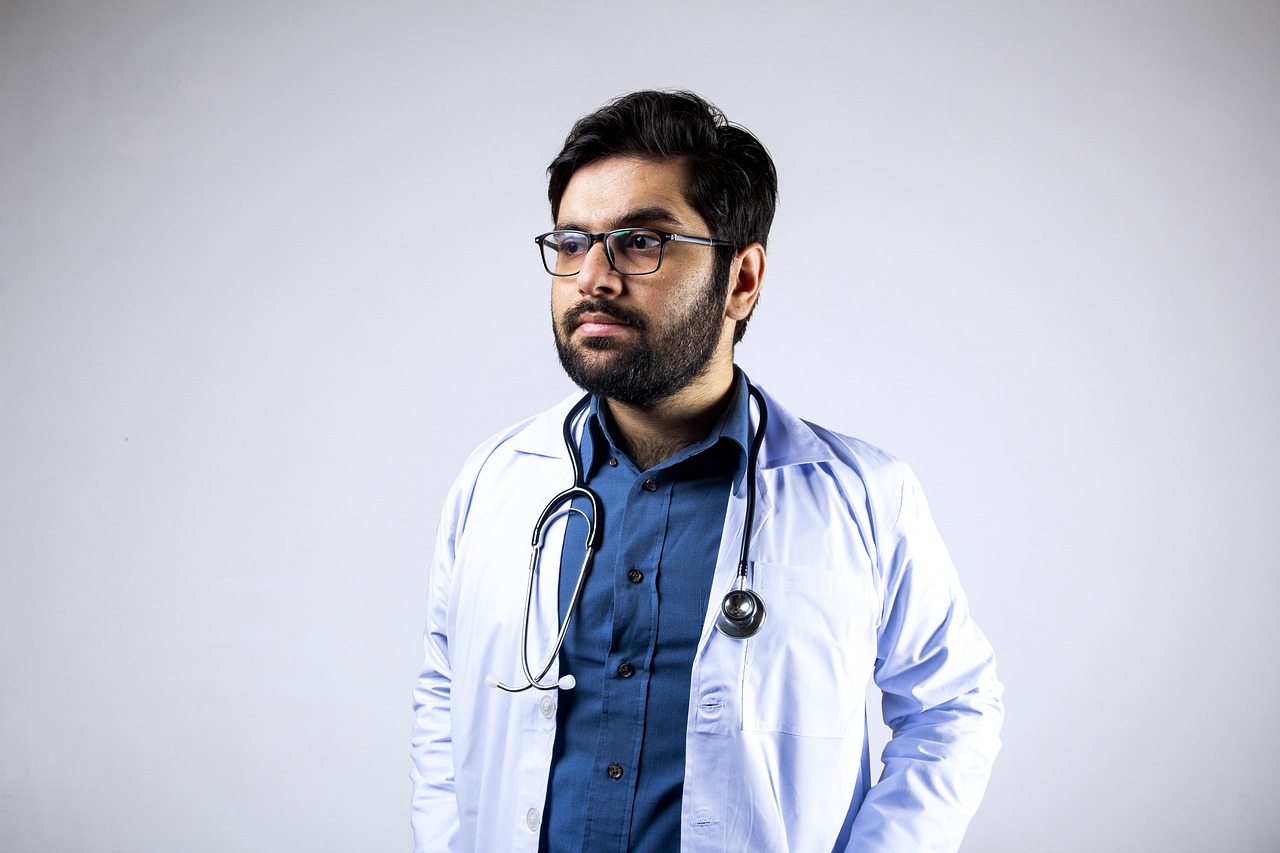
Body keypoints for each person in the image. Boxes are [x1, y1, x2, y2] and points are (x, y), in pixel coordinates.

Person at [410, 90, 1003, 853]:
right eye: (572, 241)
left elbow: (953, 706)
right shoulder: (495, 479)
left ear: (743, 278)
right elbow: (444, 691)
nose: (594, 275)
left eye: (641, 241)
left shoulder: (862, 496)